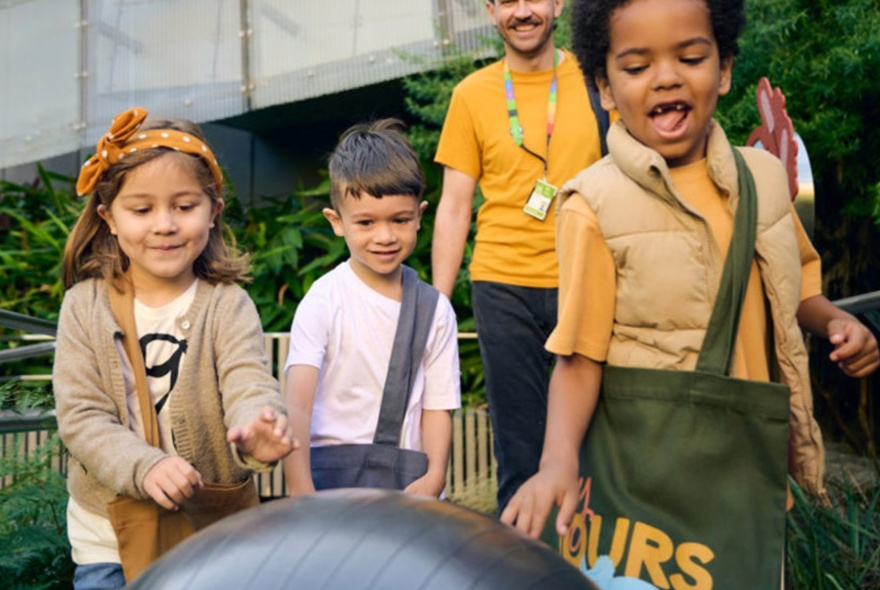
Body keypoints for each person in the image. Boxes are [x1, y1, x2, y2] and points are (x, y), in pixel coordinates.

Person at [501, 0, 879, 539]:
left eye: (691, 57)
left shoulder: (764, 177)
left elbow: (789, 288)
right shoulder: (592, 204)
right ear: (604, 87)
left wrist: (835, 324)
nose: (666, 78)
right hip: (659, 481)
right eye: (636, 67)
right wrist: (557, 463)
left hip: (763, 466)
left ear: (723, 69)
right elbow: (579, 354)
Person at [54, 107, 296, 589]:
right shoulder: (83, 307)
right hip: (109, 539)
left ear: (213, 211)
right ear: (109, 219)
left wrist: (257, 424)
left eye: (184, 206)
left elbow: (247, 378)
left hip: (214, 531)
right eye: (141, 210)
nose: (164, 224)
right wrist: (146, 466)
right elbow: (81, 416)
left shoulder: (228, 305)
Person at [433, 0, 608, 513]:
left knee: (595, 441)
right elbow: (455, 205)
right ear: (491, 12)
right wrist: (439, 306)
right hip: (502, 283)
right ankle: (523, 566)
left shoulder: (599, 79)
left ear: (558, 4)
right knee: (519, 445)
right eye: (507, 1)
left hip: (587, 280)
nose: (522, 11)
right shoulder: (471, 95)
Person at [283, 118, 461, 498]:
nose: (385, 236)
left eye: (400, 220)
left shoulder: (435, 310)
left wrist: (434, 479)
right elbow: (296, 404)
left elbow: (439, 406)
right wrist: (300, 489)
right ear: (337, 222)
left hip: (410, 486)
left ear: (419, 216)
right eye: (365, 222)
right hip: (328, 483)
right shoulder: (324, 299)